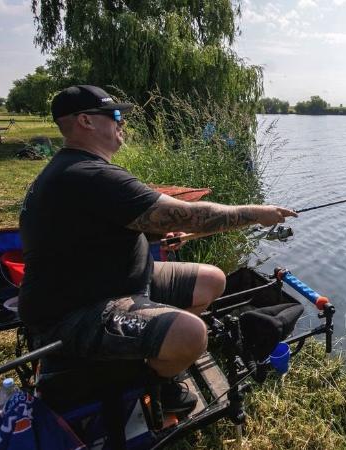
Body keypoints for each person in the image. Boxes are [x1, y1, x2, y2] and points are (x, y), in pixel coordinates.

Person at [18, 85, 297, 416]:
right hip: (76, 311)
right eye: (116, 116)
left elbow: (100, 230)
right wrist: (256, 212)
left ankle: (160, 355)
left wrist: (153, 236)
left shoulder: (77, 168)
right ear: (86, 121)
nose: (122, 124)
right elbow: (193, 214)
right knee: (193, 333)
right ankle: (153, 381)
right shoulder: (87, 174)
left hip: (115, 280)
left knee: (212, 279)